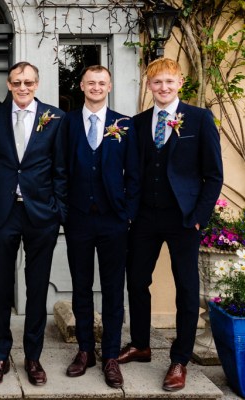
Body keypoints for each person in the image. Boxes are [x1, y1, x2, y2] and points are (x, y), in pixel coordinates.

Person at [119, 58, 223, 391]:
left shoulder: (199, 119)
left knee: (187, 289)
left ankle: (179, 359)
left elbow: (214, 175)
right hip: (145, 216)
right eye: (156, 82)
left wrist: (198, 217)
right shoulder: (136, 123)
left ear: (179, 83)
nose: (163, 88)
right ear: (148, 86)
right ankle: (140, 344)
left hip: (183, 218)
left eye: (169, 82)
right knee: (136, 280)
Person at [0, 61, 66, 386]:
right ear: (8, 84)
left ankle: (33, 358)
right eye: (17, 82)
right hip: (3, 214)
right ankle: (0, 357)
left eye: (28, 82)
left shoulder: (55, 117)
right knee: (0, 289)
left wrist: (57, 210)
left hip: (40, 215)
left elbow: (60, 169)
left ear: (37, 83)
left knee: (36, 289)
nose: (22, 88)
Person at [61, 65, 139, 389]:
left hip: (113, 220)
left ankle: (109, 356)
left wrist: (128, 214)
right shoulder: (66, 124)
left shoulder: (124, 124)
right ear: (81, 85)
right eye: (90, 82)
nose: (96, 87)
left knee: (111, 290)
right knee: (81, 287)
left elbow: (134, 174)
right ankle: (84, 351)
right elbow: (60, 170)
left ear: (109, 86)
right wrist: (64, 211)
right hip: (78, 218)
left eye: (101, 82)